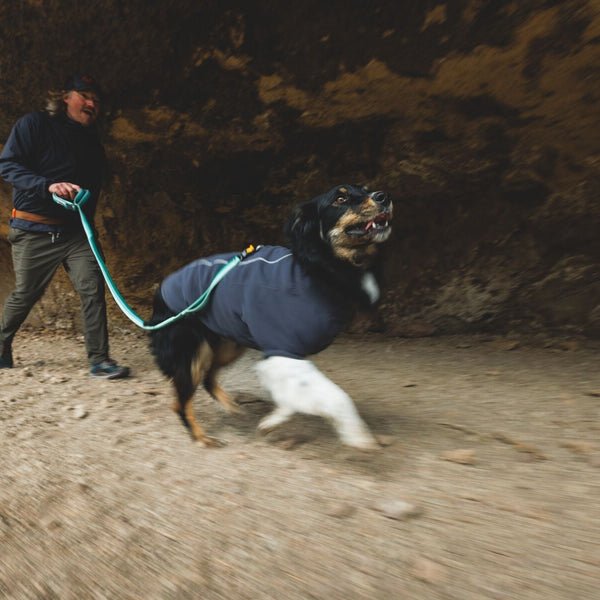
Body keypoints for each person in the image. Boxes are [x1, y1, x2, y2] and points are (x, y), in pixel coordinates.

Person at [0, 73, 129, 379]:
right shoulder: (34, 125)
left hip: (75, 234)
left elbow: (92, 191)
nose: (90, 103)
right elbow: (8, 165)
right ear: (65, 98)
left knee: (92, 288)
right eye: (84, 96)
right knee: (26, 293)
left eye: (95, 100)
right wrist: (48, 186)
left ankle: (100, 360)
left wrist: (90, 232)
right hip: (34, 230)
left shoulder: (91, 143)